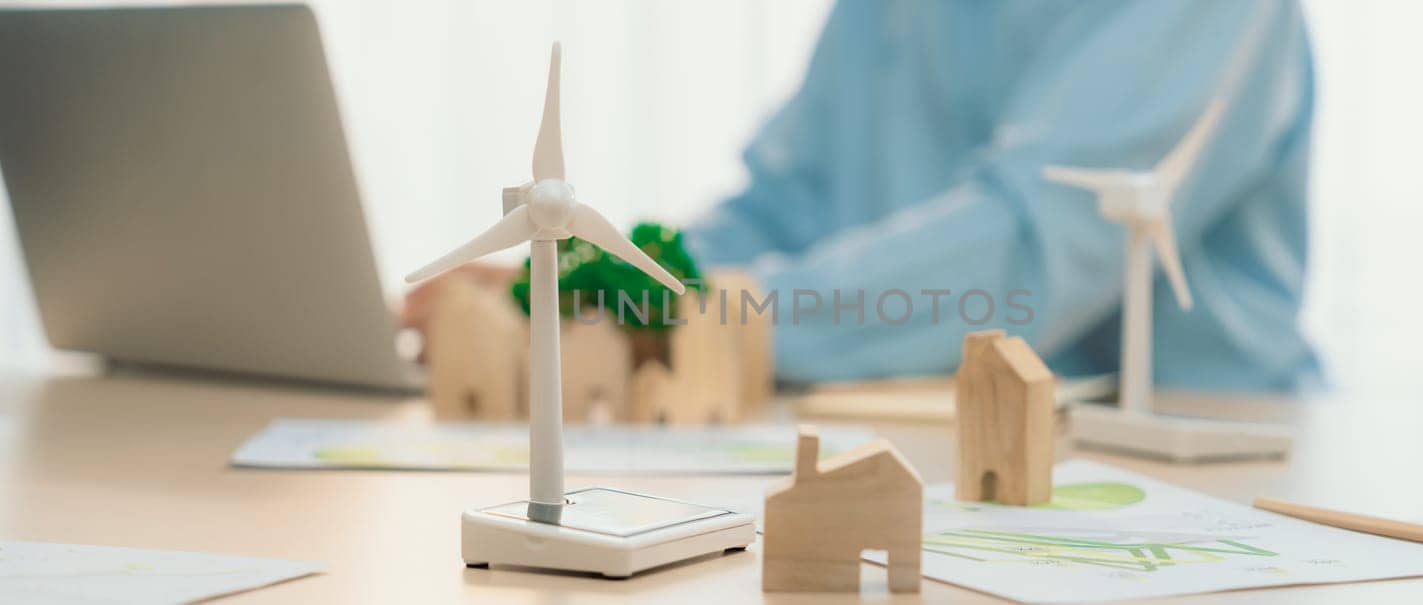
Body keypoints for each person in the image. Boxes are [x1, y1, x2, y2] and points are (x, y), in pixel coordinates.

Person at [409, 0, 1322, 391]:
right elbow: (786, 207)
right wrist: (585, 280)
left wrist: (680, 316)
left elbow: (1022, 261)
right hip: (911, 431)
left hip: (1207, 473)